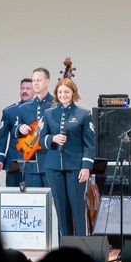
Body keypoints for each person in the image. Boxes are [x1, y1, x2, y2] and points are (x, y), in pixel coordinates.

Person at [37, 77, 95, 236]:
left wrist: (86, 167)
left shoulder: (83, 114)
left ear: (73, 93)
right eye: (60, 92)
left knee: (77, 207)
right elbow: (41, 140)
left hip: (76, 167)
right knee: (61, 209)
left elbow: (89, 144)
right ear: (56, 93)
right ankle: (65, 246)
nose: (63, 95)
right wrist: (52, 139)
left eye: (66, 92)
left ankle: (82, 245)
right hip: (53, 167)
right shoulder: (49, 114)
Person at [13, 67, 54, 187]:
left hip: (49, 162)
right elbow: (15, 130)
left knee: (52, 202)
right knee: (32, 202)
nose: (35, 83)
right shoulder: (24, 108)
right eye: (34, 80)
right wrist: (20, 128)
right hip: (30, 163)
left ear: (47, 82)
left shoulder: (56, 105)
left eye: (39, 80)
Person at [0, 78, 32, 187]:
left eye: (28, 88)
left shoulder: (43, 111)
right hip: (14, 158)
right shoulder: (9, 111)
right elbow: (2, 136)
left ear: (34, 90)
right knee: (13, 196)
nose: (24, 91)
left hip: (34, 159)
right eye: (22, 88)